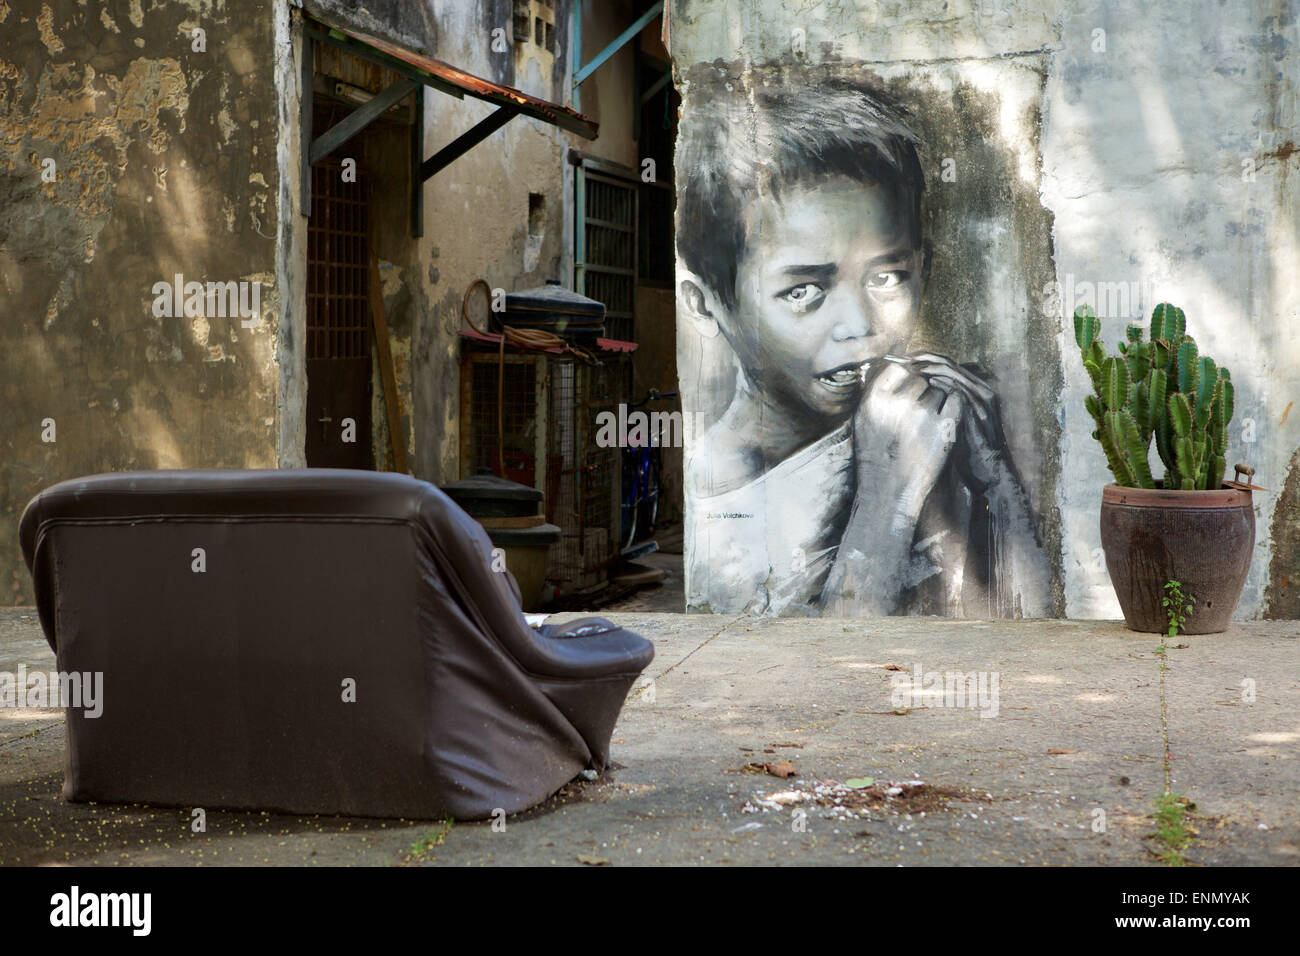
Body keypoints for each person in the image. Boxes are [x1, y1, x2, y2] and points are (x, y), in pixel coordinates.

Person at [676, 72, 1052, 618]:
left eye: (886, 278)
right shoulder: (718, 498)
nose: (858, 326)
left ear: (924, 270)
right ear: (706, 304)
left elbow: (1031, 632)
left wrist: (996, 477)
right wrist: (887, 497)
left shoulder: (939, 415)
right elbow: (825, 679)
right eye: (803, 290)